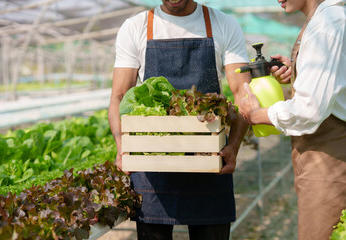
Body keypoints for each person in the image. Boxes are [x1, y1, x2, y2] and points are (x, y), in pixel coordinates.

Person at [108, 0, 251, 239]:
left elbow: (242, 94)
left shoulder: (223, 24)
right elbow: (119, 95)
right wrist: (123, 147)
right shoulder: (136, 27)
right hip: (153, 164)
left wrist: (233, 147)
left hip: (209, 161)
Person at [239, 0, 346, 239]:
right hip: (320, 152)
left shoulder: (327, 24)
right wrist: (298, 72)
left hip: (329, 158)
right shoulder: (323, 19)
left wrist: (258, 114)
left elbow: (309, 110)